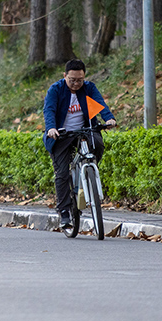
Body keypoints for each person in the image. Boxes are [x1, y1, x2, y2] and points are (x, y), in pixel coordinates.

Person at [43, 59, 116, 228]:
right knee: (61, 173)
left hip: (85, 130)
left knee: (98, 144)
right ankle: (64, 212)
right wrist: (52, 128)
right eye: (72, 80)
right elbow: (49, 110)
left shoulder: (89, 88)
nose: (76, 83)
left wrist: (109, 118)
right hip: (62, 134)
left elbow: (100, 104)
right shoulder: (56, 89)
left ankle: (89, 171)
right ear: (65, 76)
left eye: (80, 80)